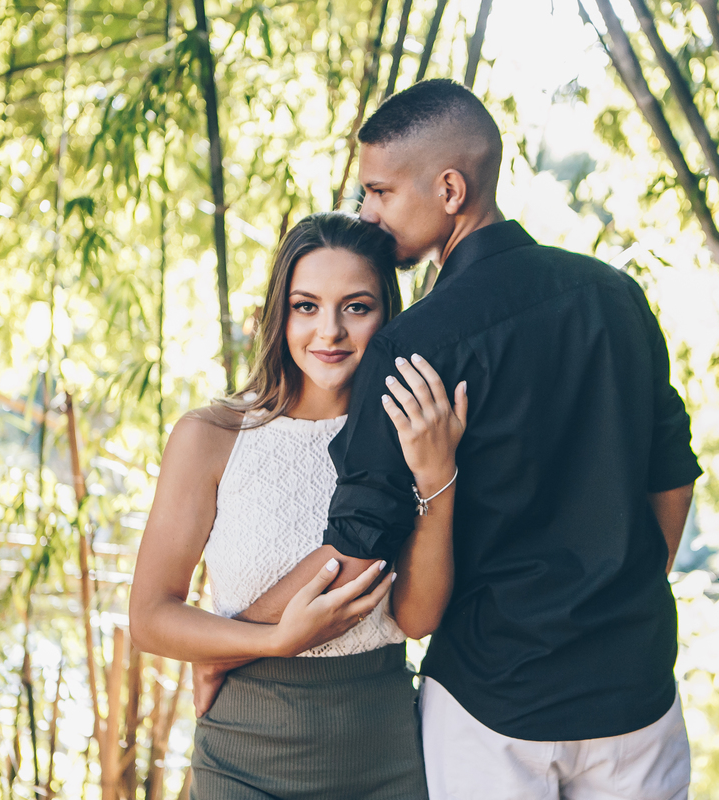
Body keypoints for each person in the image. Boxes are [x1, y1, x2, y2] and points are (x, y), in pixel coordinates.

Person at [225, 80, 702, 800]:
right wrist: (621, 592)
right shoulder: (616, 299)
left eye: (380, 191)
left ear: (450, 188)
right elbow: (672, 478)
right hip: (634, 693)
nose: (368, 213)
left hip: (491, 703)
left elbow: (355, 553)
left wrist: (232, 639)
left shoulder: (415, 346)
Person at [128, 211, 466, 800]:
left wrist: (439, 477)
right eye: (306, 306)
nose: (329, 332)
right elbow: (150, 617)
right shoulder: (212, 435)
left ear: (389, 316)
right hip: (240, 761)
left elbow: (416, 619)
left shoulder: (411, 431)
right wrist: (271, 640)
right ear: (278, 314)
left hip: (383, 756)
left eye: (356, 307)